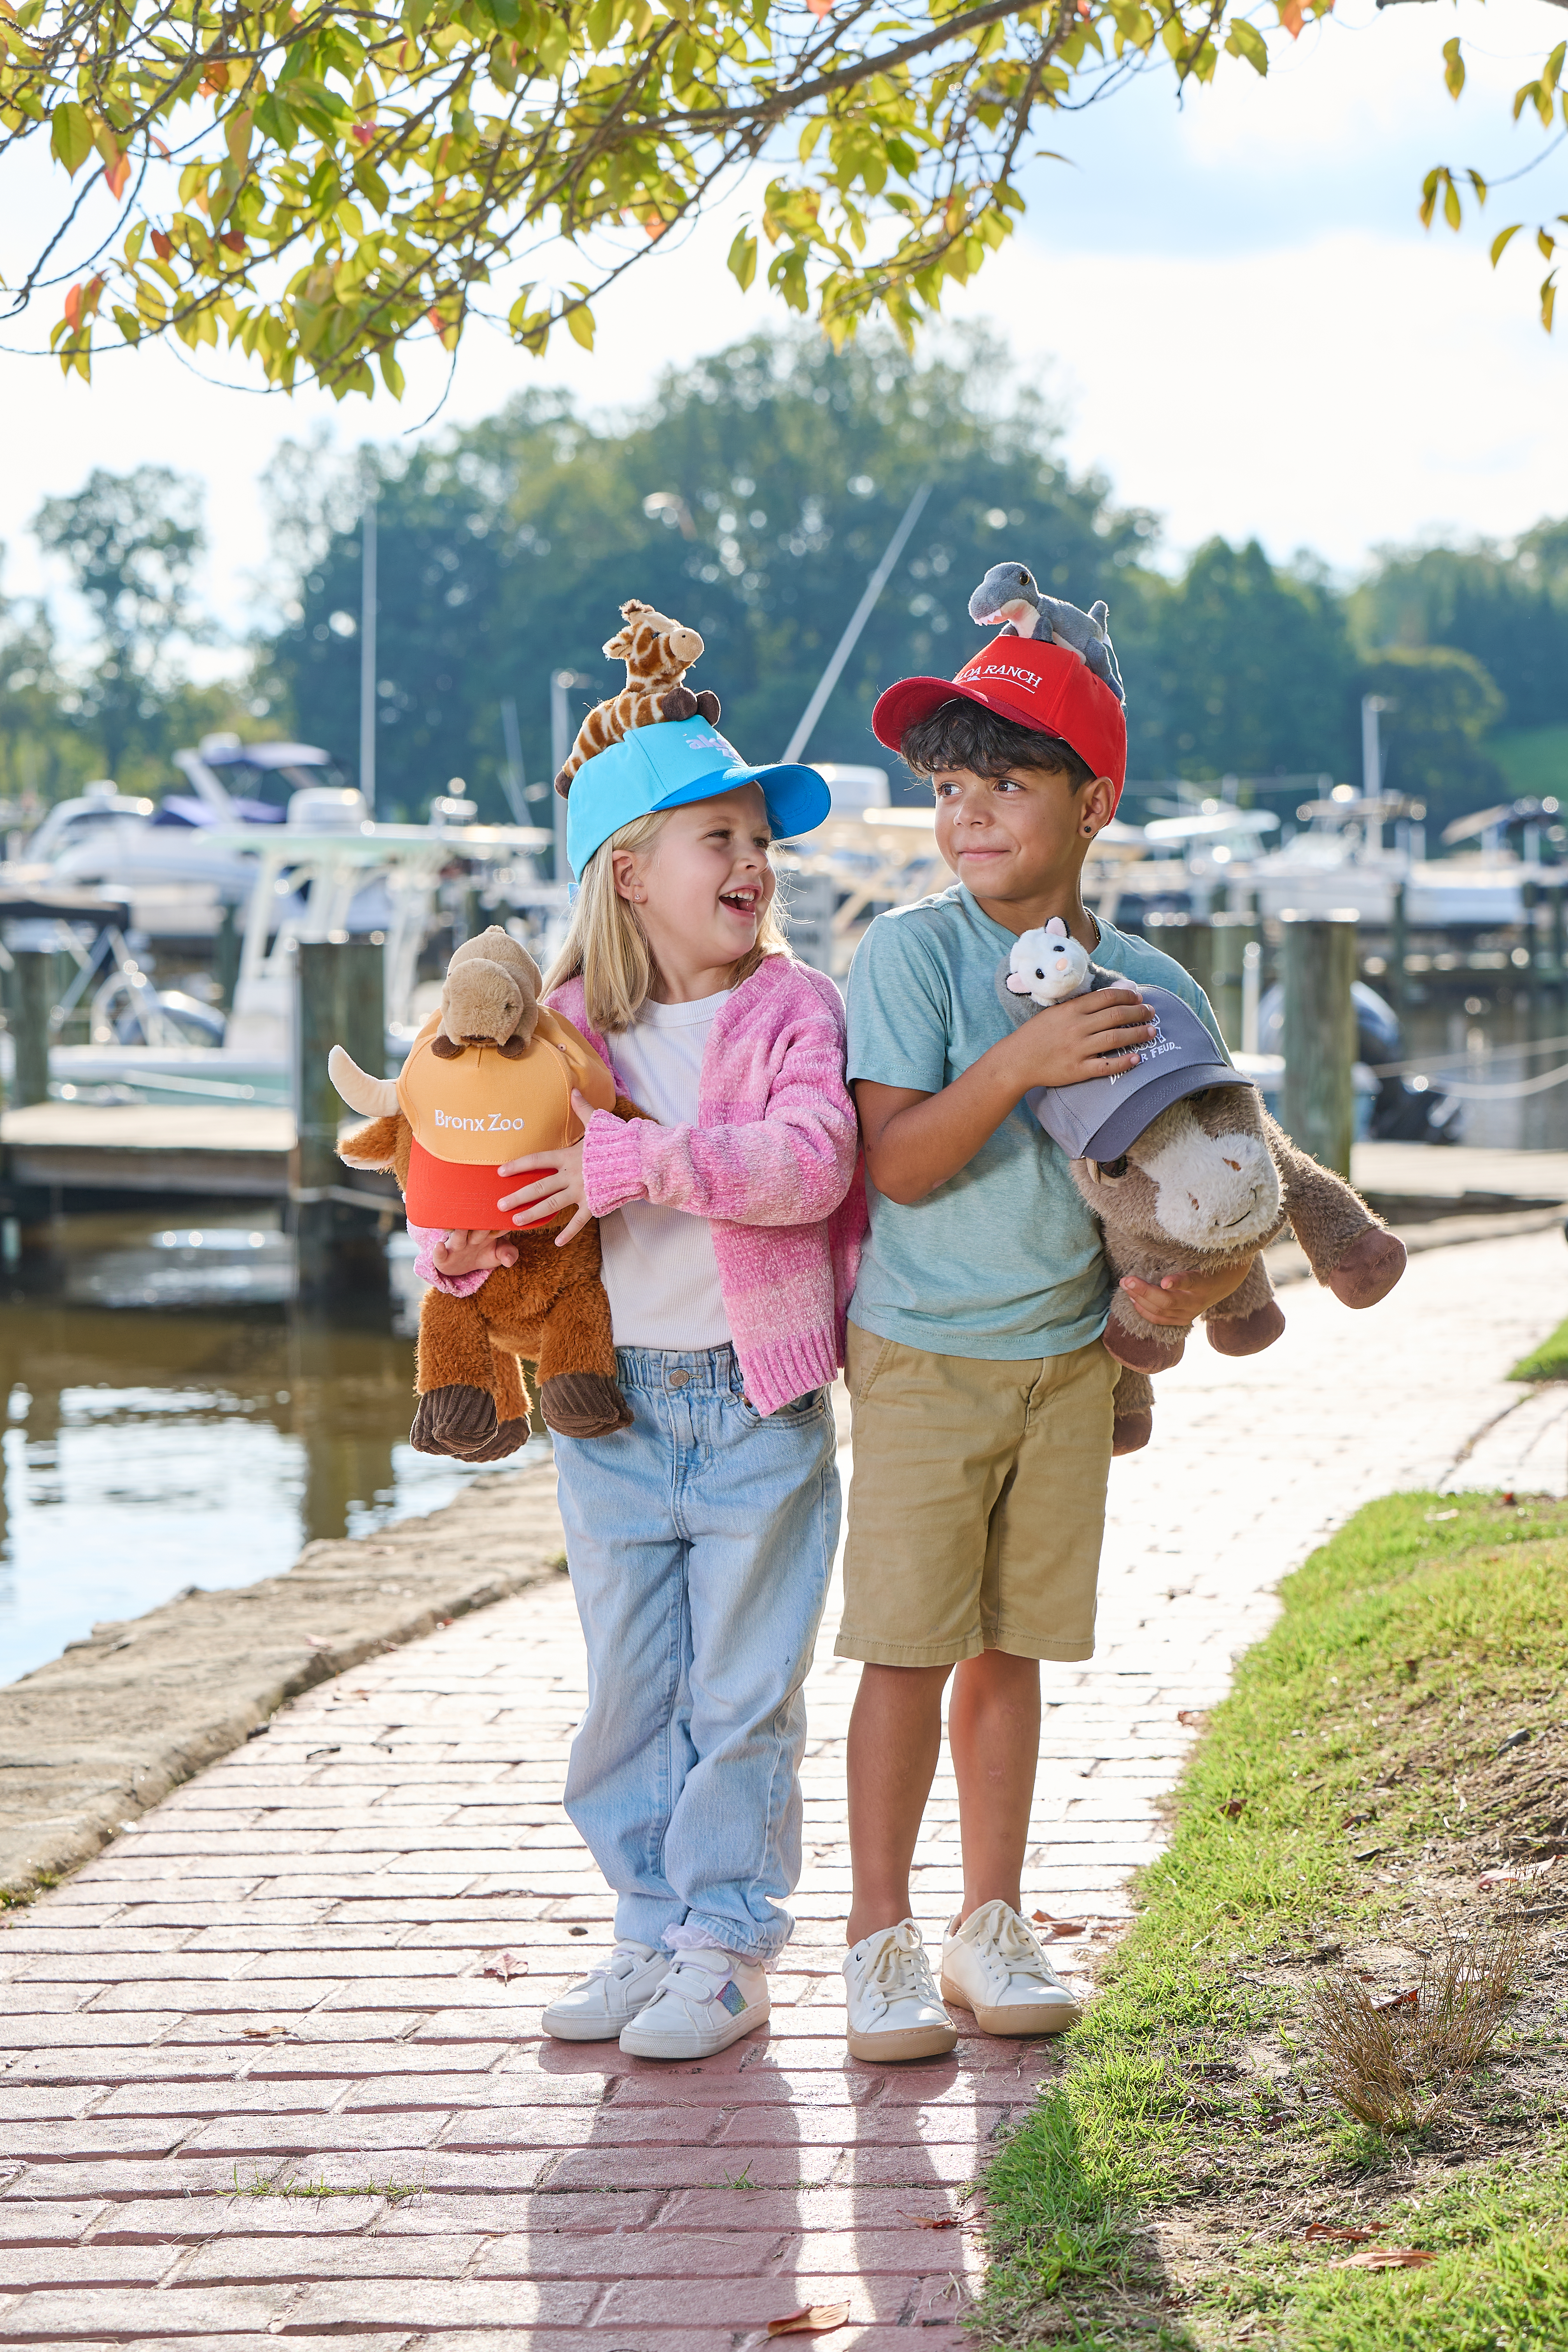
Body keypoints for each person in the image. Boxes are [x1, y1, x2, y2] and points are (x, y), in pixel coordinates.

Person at [422, 718, 863, 2061]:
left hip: (756, 1403)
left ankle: (727, 1942)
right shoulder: (561, 1036)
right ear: (628, 873)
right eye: (717, 838)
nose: (753, 863)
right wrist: (463, 1245)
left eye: (760, 841)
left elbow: (811, 1165)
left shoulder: (792, 1009)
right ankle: (645, 1924)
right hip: (606, 1414)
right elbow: (483, 1177)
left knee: (741, 1690)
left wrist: (643, 1164)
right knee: (631, 1684)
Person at [836, 632, 1242, 2062]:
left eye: (1008, 781)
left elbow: (1193, 1178)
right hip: (924, 1356)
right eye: (951, 788)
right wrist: (1016, 1061)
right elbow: (898, 1165)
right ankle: (876, 1936)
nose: (972, 814)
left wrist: (1180, 1288)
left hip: (1068, 1359)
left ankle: (985, 1924)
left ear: (1094, 805)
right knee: (902, 1649)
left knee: (1013, 1651)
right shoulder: (910, 954)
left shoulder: (1145, 982)